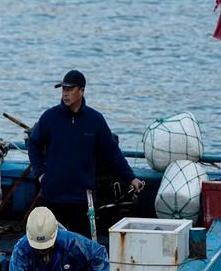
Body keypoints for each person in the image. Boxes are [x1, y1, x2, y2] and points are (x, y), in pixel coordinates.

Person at [27, 70, 145, 238]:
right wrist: (40, 173)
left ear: (81, 91)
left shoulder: (95, 120)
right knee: (51, 243)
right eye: (63, 89)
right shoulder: (50, 117)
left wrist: (131, 179)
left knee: (81, 245)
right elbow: (33, 144)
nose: (65, 93)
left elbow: (112, 153)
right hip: (53, 195)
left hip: (82, 198)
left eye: (70, 89)